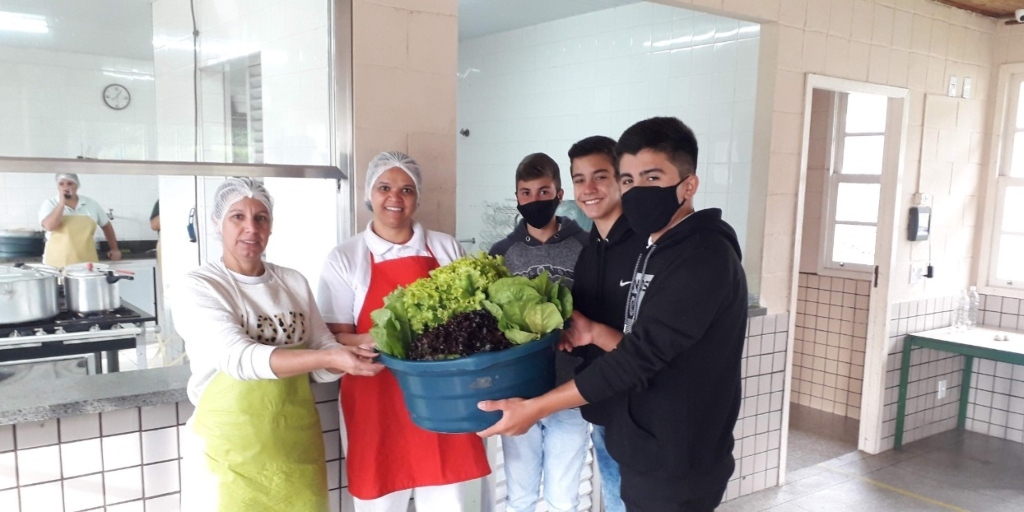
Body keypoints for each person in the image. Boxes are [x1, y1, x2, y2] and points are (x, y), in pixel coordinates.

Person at [479, 117, 748, 512]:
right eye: (628, 180)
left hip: (679, 454)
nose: (637, 192)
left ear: (688, 185)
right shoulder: (655, 248)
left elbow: (639, 357)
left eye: (652, 178)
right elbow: (639, 346)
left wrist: (539, 406)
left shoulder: (702, 256)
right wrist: (591, 332)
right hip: (637, 436)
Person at [173, 177, 384, 511]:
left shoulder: (292, 281)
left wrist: (350, 357)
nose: (250, 228)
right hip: (230, 455)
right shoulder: (199, 286)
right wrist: (329, 357)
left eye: (261, 218)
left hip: (296, 447)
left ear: (271, 226)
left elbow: (321, 353)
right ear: (217, 223)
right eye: (237, 217)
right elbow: (239, 359)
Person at [318, 151, 490, 512]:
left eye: (406, 189)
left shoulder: (445, 247)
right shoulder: (346, 257)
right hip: (375, 397)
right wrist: (390, 340)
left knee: (449, 502)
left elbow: (471, 323)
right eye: (384, 187)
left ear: (417, 197)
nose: (395, 198)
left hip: (442, 400)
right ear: (369, 194)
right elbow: (333, 339)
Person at [488, 153, 590, 512]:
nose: (535, 200)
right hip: (521, 390)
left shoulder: (587, 248)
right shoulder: (501, 254)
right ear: (517, 198)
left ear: (560, 194)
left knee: (565, 496)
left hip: (571, 386)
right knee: (520, 495)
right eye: (526, 193)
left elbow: (596, 311)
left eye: (543, 191)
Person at [566, 135, 647, 512]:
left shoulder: (647, 248)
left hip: (645, 414)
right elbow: (586, 330)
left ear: (621, 180)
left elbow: (653, 349)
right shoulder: (588, 251)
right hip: (603, 406)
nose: (589, 189)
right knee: (615, 499)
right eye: (579, 179)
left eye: (600, 176)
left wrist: (593, 333)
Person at [38, 173, 121, 266]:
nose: (65, 187)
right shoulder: (50, 204)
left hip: (87, 261)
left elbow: (106, 225)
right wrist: (61, 204)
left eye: (70, 183)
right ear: (57, 187)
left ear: (77, 186)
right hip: (57, 262)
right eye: (61, 184)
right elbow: (49, 226)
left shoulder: (91, 204)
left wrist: (114, 249)